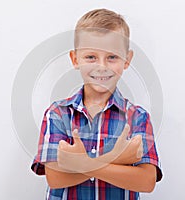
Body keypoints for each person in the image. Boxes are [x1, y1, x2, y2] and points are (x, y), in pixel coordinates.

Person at [31, 8, 163, 200]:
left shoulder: (137, 117)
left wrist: (81, 163)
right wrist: (116, 158)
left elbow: (146, 181)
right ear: (75, 59)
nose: (102, 66)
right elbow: (55, 177)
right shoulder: (58, 114)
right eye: (91, 57)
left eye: (112, 57)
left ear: (127, 60)